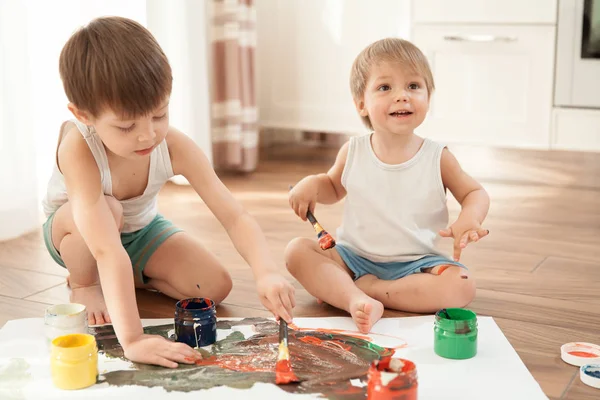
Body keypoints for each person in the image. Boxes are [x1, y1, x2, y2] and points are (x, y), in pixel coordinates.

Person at [42, 16, 295, 368]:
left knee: (213, 285)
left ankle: (124, 278)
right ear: (83, 115)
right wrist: (132, 339)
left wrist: (265, 271)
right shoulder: (78, 149)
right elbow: (104, 246)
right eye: (127, 126)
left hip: (140, 231)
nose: (147, 135)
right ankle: (85, 283)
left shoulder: (174, 145)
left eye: (159, 115)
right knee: (109, 212)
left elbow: (234, 215)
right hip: (79, 236)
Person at [285, 38, 489, 334]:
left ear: (428, 97)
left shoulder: (437, 157)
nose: (401, 97)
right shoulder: (353, 150)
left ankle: (364, 292)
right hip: (352, 257)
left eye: (413, 86)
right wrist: (311, 185)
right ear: (361, 104)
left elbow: (474, 192)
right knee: (296, 252)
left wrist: (469, 218)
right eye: (385, 88)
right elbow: (332, 186)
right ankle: (355, 296)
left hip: (417, 264)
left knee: (461, 286)